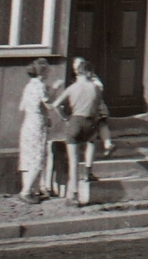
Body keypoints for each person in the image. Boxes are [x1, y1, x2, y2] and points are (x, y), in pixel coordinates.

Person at [50, 61, 106, 204]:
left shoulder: (72, 88)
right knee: (91, 144)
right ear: (89, 73)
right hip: (90, 122)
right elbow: (97, 107)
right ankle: (88, 171)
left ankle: (74, 194)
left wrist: (65, 117)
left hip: (75, 121)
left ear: (78, 73)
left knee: (73, 161)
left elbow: (55, 105)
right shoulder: (95, 88)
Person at [15, 58, 53, 203]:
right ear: (43, 73)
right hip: (37, 124)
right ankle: (25, 192)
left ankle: (29, 189)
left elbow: (22, 107)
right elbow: (49, 105)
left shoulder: (29, 86)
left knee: (27, 158)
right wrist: (54, 90)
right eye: (48, 70)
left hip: (27, 123)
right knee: (38, 158)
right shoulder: (40, 86)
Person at [71, 58, 114, 159]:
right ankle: (106, 144)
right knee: (98, 126)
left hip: (94, 107)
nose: (77, 71)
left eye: (79, 68)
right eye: (75, 69)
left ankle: (108, 144)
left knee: (101, 124)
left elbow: (99, 87)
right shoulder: (77, 78)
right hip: (87, 109)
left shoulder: (91, 77)